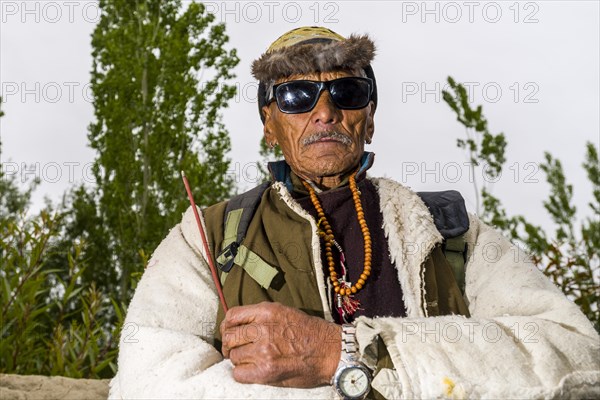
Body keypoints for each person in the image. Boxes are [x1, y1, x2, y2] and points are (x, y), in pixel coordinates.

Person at [108, 27, 599, 399]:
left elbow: (575, 353)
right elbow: (150, 382)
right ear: (269, 125)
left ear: (369, 116)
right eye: (296, 96)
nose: (324, 111)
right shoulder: (208, 237)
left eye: (347, 92)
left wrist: (338, 352)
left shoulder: (450, 232)